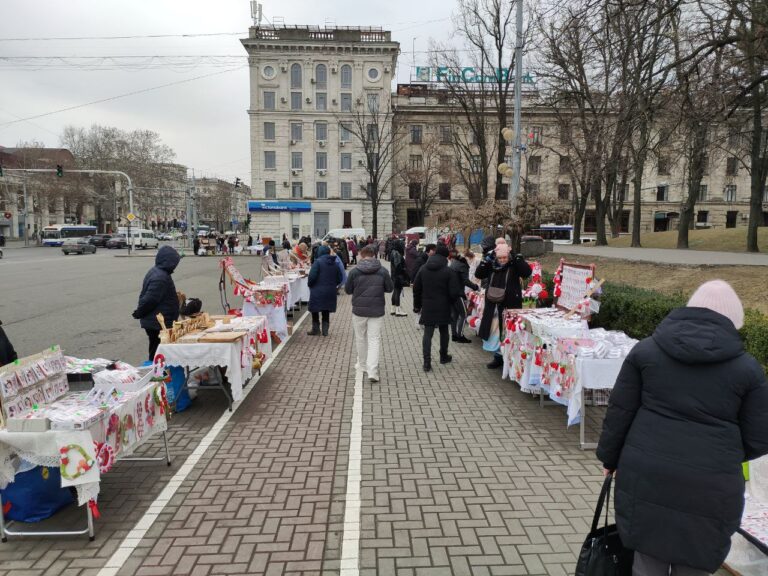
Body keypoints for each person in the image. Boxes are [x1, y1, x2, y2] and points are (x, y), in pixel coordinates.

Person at [597, 280, 768, 576]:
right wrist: (722, 454)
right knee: (695, 563)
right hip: (712, 485)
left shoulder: (646, 351)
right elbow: (759, 438)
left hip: (646, 473)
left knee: (647, 561)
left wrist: (609, 459)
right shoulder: (748, 369)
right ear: (734, 320)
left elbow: (620, 412)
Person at [474, 242, 532, 369]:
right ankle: (498, 357)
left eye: (504, 257)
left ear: (508, 256)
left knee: (507, 332)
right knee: (494, 332)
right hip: (493, 305)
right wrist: (485, 261)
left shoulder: (514, 265)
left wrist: (517, 257)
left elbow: (526, 272)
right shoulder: (491, 264)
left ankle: (509, 360)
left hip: (509, 304)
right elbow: (478, 274)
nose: (502, 260)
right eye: (499, 258)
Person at [345, 246, 394, 382]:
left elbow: (348, 290)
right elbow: (390, 288)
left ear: (361, 255)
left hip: (359, 310)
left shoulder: (354, 272)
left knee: (360, 338)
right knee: (374, 340)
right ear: (374, 255)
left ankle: (362, 365)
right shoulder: (382, 271)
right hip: (376, 310)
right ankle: (372, 371)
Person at [413, 244, 463, 372]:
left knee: (427, 334)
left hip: (428, 305)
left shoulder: (423, 268)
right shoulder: (449, 271)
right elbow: (454, 292)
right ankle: (443, 356)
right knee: (444, 331)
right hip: (444, 306)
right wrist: (452, 304)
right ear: (447, 256)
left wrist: (417, 306)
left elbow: (416, 288)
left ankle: (426, 362)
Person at [132, 246, 182, 362]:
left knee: (157, 350)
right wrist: (139, 312)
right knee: (158, 352)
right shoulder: (160, 277)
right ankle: (156, 374)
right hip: (157, 323)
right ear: (169, 261)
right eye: (175, 262)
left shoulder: (158, 271)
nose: (176, 265)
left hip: (156, 321)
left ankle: (157, 372)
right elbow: (150, 299)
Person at [306, 245, 342, 337]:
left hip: (317, 290)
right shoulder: (334, 263)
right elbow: (339, 278)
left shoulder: (317, 262)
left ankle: (316, 329)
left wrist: (310, 285)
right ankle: (325, 331)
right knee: (326, 309)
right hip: (330, 290)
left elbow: (312, 277)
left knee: (315, 309)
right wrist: (333, 285)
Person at [448, 249, 479, 343]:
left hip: (450, 293)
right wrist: (475, 287)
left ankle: (454, 335)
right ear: (467, 259)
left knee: (455, 315)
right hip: (458, 294)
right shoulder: (463, 266)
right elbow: (465, 281)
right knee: (464, 314)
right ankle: (460, 336)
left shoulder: (454, 263)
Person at [389, 240, 409, 317]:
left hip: (394, 276)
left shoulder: (393, 252)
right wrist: (404, 271)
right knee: (397, 292)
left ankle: (393, 308)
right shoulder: (397, 253)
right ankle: (398, 310)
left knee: (395, 292)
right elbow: (398, 266)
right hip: (398, 276)